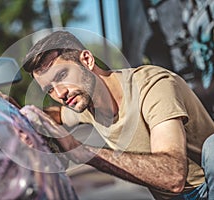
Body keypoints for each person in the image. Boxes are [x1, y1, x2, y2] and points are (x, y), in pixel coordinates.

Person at [20, 30, 214, 199]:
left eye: (61, 76)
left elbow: (174, 177)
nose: (59, 94)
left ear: (86, 60)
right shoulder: (84, 103)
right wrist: (14, 112)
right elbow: (55, 116)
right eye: (49, 90)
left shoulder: (152, 86)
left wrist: (82, 150)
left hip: (204, 188)